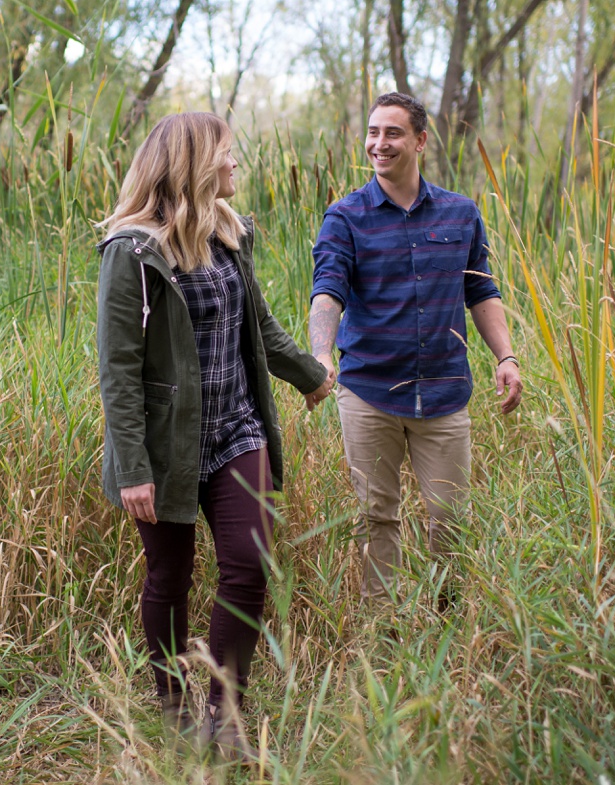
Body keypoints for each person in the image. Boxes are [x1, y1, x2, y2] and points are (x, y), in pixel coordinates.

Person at [96, 111, 336, 758]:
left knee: (249, 565)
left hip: (236, 430)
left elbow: (258, 326)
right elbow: (116, 368)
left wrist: (312, 375)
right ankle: (172, 701)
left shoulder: (231, 236)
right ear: (196, 162)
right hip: (165, 447)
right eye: (229, 154)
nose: (237, 164)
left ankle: (223, 711)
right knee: (169, 574)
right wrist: (132, 464)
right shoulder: (131, 252)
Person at [307, 92, 522, 609]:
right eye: (374, 132)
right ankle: (385, 634)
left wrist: (506, 357)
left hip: (445, 393)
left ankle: (447, 625)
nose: (379, 144)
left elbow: (481, 290)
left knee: (450, 518)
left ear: (420, 141)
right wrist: (321, 353)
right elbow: (327, 290)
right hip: (368, 391)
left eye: (393, 133)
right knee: (377, 516)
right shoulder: (345, 217)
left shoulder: (460, 214)